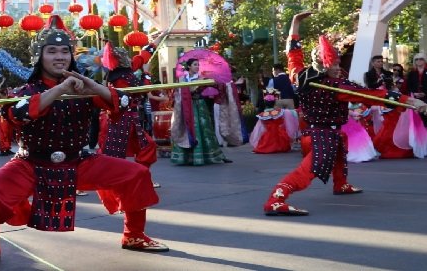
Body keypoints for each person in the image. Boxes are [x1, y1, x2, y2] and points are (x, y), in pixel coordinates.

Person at [0, 17, 168, 270]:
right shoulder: (24, 90)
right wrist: (59, 90)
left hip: (79, 160)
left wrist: (94, 87)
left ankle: (134, 235)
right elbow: (18, 114)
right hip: (31, 163)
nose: (59, 57)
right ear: (40, 57)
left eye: (64, 51)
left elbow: (124, 104)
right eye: (51, 51)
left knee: (135, 174)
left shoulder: (84, 88)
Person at [262, 11, 427, 216]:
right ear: (324, 65)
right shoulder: (336, 87)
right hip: (322, 135)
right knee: (310, 168)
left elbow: (293, 53)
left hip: (315, 132)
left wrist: (295, 24)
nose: (339, 68)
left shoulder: (300, 75)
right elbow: (374, 95)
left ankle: (340, 184)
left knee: (340, 147)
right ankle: (276, 199)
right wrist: (411, 101)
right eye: (336, 64)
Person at [99, 34, 164, 186]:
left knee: (148, 147)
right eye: (126, 57)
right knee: (112, 154)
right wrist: (146, 74)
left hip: (132, 119)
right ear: (120, 61)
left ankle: (141, 175)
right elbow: (140, 91)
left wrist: (160, 37)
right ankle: (112, 180)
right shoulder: (119, 79)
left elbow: (143, 55)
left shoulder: (128, 69)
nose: (129, 58)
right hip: (118, 119)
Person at [170, 58, 232, 165]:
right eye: (195, 64)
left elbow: (217, 84)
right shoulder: (183, 79)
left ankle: (214, 155)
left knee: (204, 129)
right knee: (187, 129)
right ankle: (186, 157)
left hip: (200, 105)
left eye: (198, 65)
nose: (197, 67)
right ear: (189, 66)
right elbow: (179, 93)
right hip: (187, 106)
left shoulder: (202, 78)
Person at [250, 89, 296, 154]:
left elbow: (260, 127)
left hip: (268, 134)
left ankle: (268, 148)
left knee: (265, 141)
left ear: (265, 103)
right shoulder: (279, 112)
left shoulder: (263, 114)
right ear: (274, 103)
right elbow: (289, 115)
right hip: (279, 133)